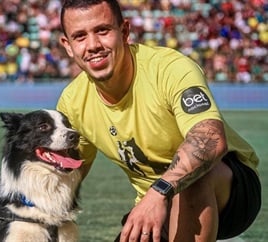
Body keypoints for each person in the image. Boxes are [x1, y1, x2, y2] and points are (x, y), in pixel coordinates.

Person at [57, 1, 261, 241]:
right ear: (68, 46)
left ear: (124, 32)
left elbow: (210, 139)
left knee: (193, 175)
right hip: (156, 204)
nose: (92, 45)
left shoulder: (170, 69)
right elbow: (64, 177)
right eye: (79, 36)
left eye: (102, 31)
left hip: (231, 190)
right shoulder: (72, 102)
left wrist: (158, 192)